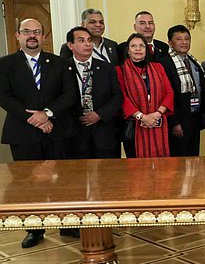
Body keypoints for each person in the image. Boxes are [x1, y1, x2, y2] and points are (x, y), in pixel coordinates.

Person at [0, 18, 77, 248]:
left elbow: (69, 95)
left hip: (57, 130)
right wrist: (33, 119)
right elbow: (4, 97)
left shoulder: (59, 63)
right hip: (23, 133)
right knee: (27, 184)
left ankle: (68, 225)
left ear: (43, 36)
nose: (32, 35)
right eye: (26, 32)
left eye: (36, 32)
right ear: (18, 36)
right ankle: (34, 230)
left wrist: (48, 114)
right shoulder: (5, 64)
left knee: (63, 181)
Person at [64, 26, 123, 159]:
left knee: (108, 176)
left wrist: (99, 114)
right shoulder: (63, 68)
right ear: (70, 45)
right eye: (81, 40)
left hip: (104, 132)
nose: (87, 44)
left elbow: (117, 97)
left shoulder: (107, 68)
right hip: (75, 133)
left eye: (89, 40)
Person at [117, 33, 174, 158]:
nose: (138, 49)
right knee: (137, 171)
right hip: (135, 126)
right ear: (128, 50)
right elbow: (123, 98)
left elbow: (169, 92)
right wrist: (142, 117)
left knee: (163, 168)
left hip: (159, 122)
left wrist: (157, 114)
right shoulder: (120, 71)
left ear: (146, 50)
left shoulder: (158, 67)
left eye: (141, 46)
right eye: (133, 46)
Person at [159, 25, 205, 157]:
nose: (184, 42)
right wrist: (175, 122)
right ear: (170, 42)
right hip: (179, 120)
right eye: (179, 39)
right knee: (180, 159)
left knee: (194, 157)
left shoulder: (193, 60)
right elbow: (166, 95)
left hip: (194, 117)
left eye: (187, 38)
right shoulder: (164, 63)